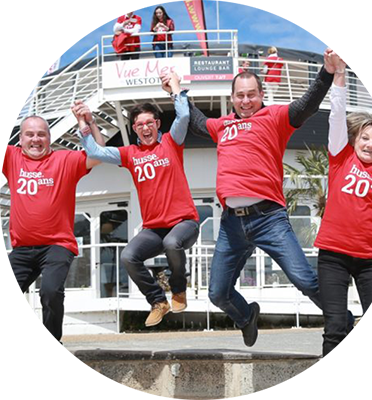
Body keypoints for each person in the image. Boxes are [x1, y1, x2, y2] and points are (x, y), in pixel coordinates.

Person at [188, 48, 347, 347]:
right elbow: (197, 121)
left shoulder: (274, 117)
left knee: (306, 280)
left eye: (251, 95)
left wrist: (326, 72)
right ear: (232, 98)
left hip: (268, 219)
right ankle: (246, 316)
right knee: (218, 293)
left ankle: (346, 322)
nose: (246, 101)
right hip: (231, 225)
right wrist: (176, 92)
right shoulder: (222, 126)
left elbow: (306, 105)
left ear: (261, 94)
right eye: (240, 96)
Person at [74, 73, 199, 327]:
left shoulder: (171, 142)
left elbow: (184, 116)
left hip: (184, 222)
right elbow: (95, 151)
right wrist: (85, 121)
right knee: (129, 256)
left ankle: (178, 289)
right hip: (154, 228)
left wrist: (175, 87)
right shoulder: (130, 154)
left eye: (149, 122)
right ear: (134, 129)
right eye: (139, 124)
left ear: (157, 124)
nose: (145, 128)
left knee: (172, 242)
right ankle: (158, 301)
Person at [314, 62, 372, 400]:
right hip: (333, 256)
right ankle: (334, 385)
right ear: (355, 139)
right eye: (365, 137)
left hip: (370, 260)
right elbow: (336, 116)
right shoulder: (341, 157)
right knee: (335, 326)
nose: (370, 144)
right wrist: (338, 79)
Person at [0, 116, 102, 341]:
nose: (35, 139)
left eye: (41, 134)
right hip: (22, 248)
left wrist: (89, 122)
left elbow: (98, 155)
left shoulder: (65, 160)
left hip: (57, 245)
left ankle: (50, 344)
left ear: (49, 137)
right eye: (30, 134)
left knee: (50, 291)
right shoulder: (11, 157)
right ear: (20, 138)